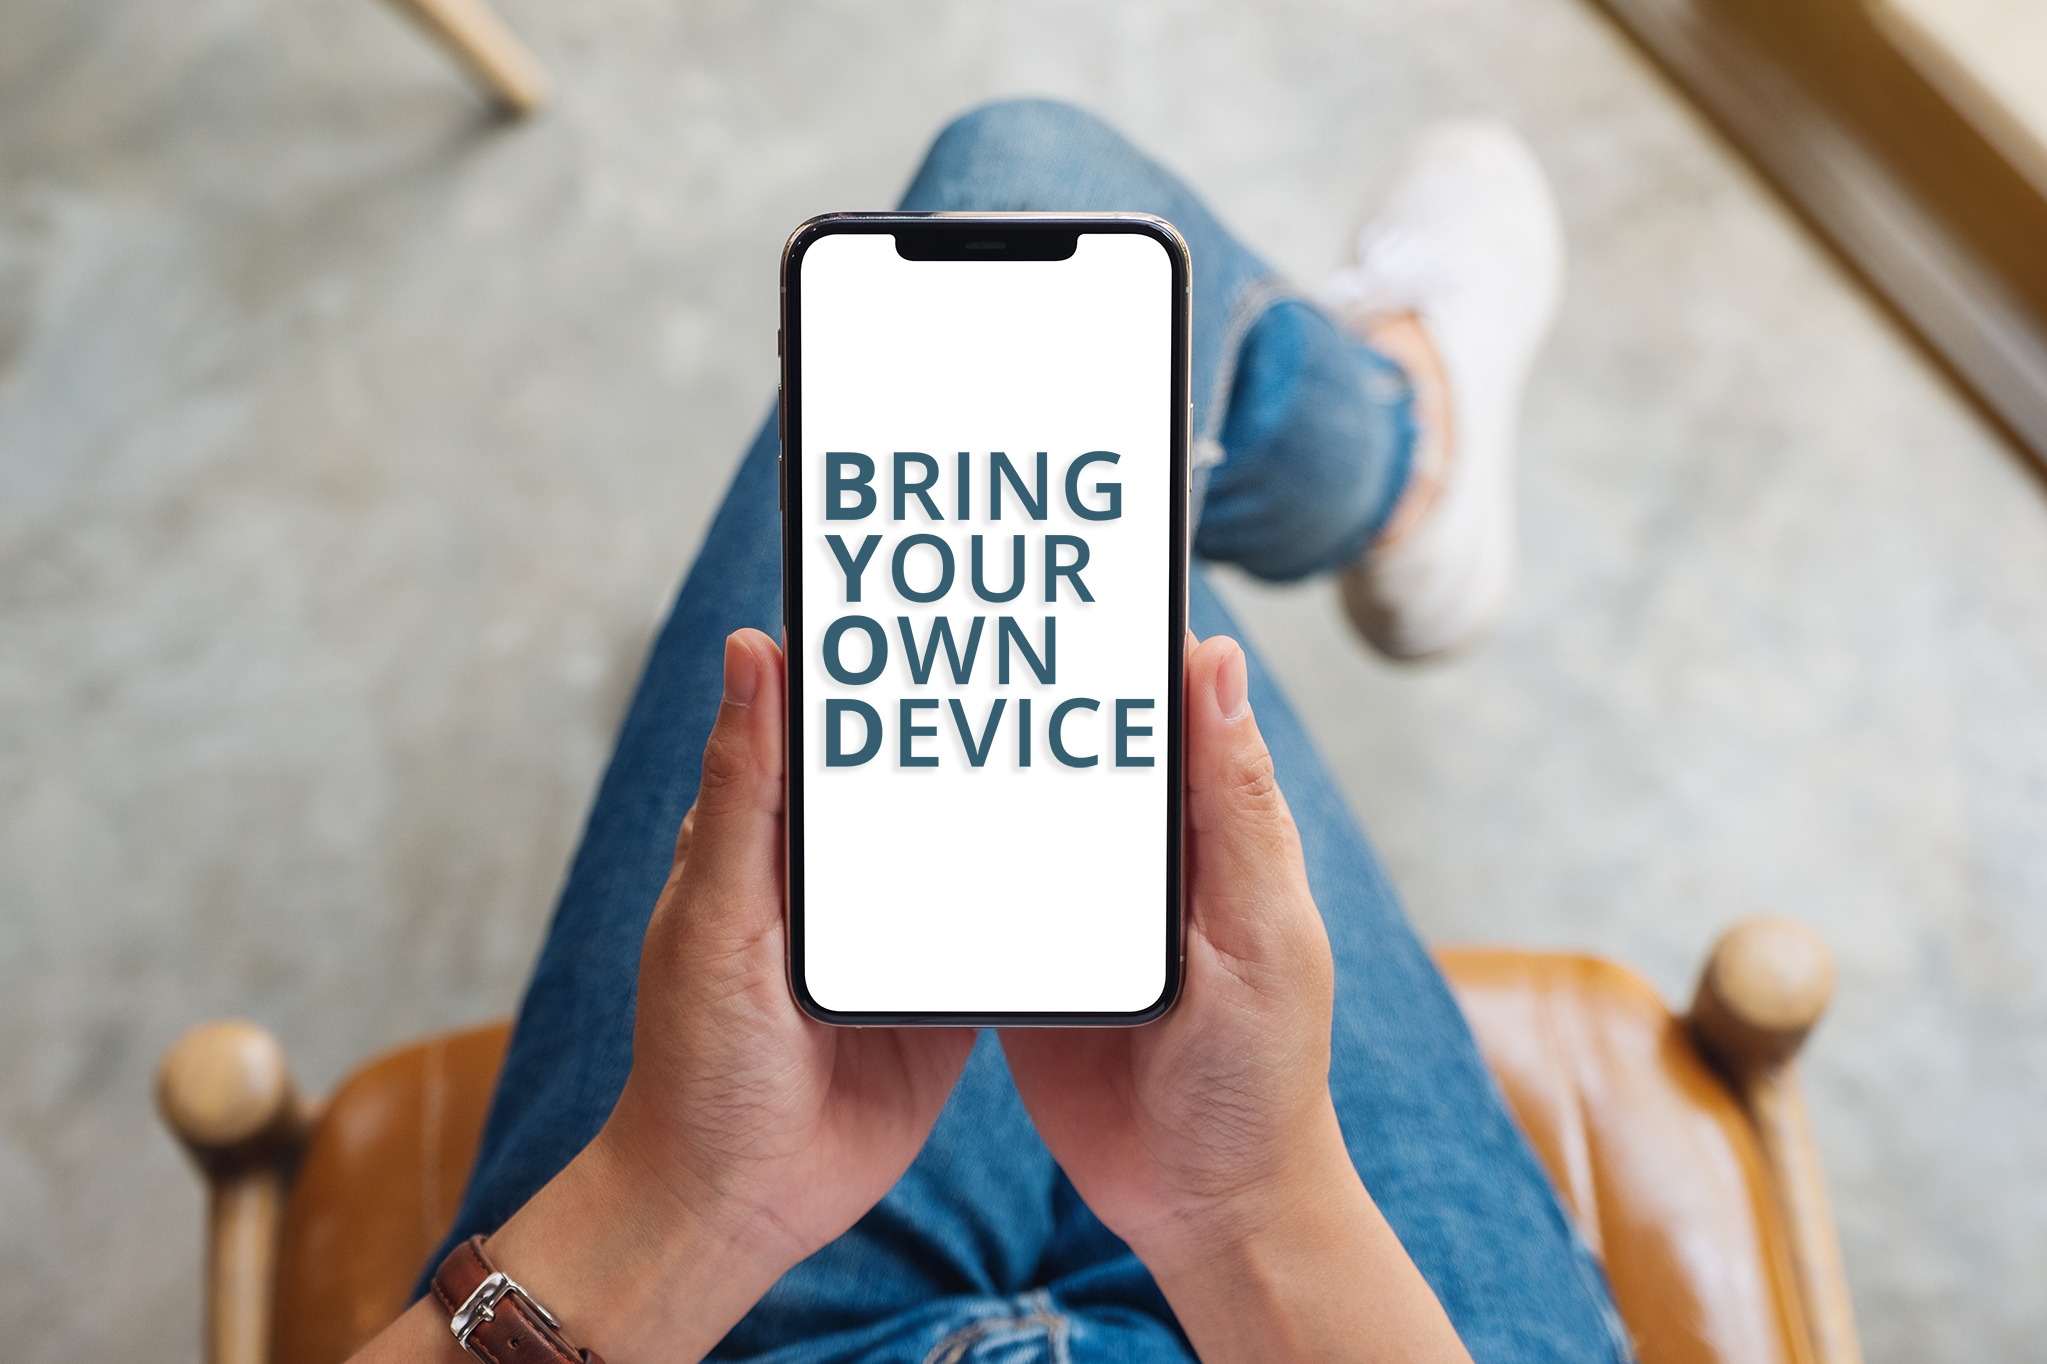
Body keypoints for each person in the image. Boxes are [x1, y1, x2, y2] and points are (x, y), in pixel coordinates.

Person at [351, 100, 1621, 1364]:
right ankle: (1399, 454)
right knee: (1029, 225)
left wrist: (681, 1198)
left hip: (733, 1303)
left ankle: (1385, 456)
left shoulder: (704, 1184)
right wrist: (1252, 1211)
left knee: (1003, 284)